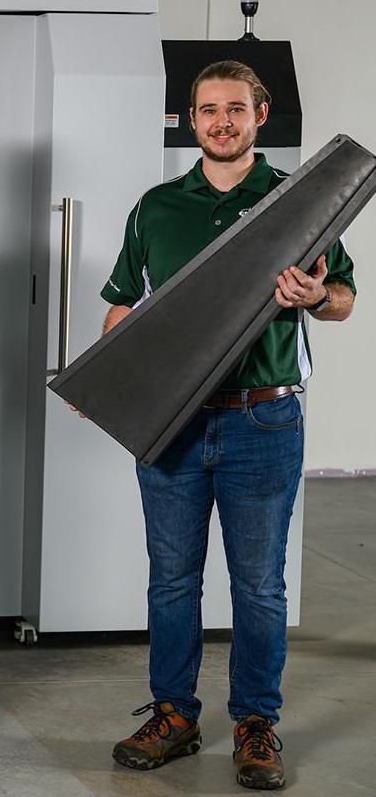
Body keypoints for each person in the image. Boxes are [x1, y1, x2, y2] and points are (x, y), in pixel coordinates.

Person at [99, 61, 355, 791]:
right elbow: (121, 308)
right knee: (171, 581)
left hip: (262, 419)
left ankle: (255, 725)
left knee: (259, 585)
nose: (220, 121)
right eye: (207, 110)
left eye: (234, 109)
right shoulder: (156, 208)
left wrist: (312, 296)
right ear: (190, 119)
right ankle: (173, 716)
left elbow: (343, 299)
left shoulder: (296, 203)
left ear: (259, 116)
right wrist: (110, 379)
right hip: (172, 422)